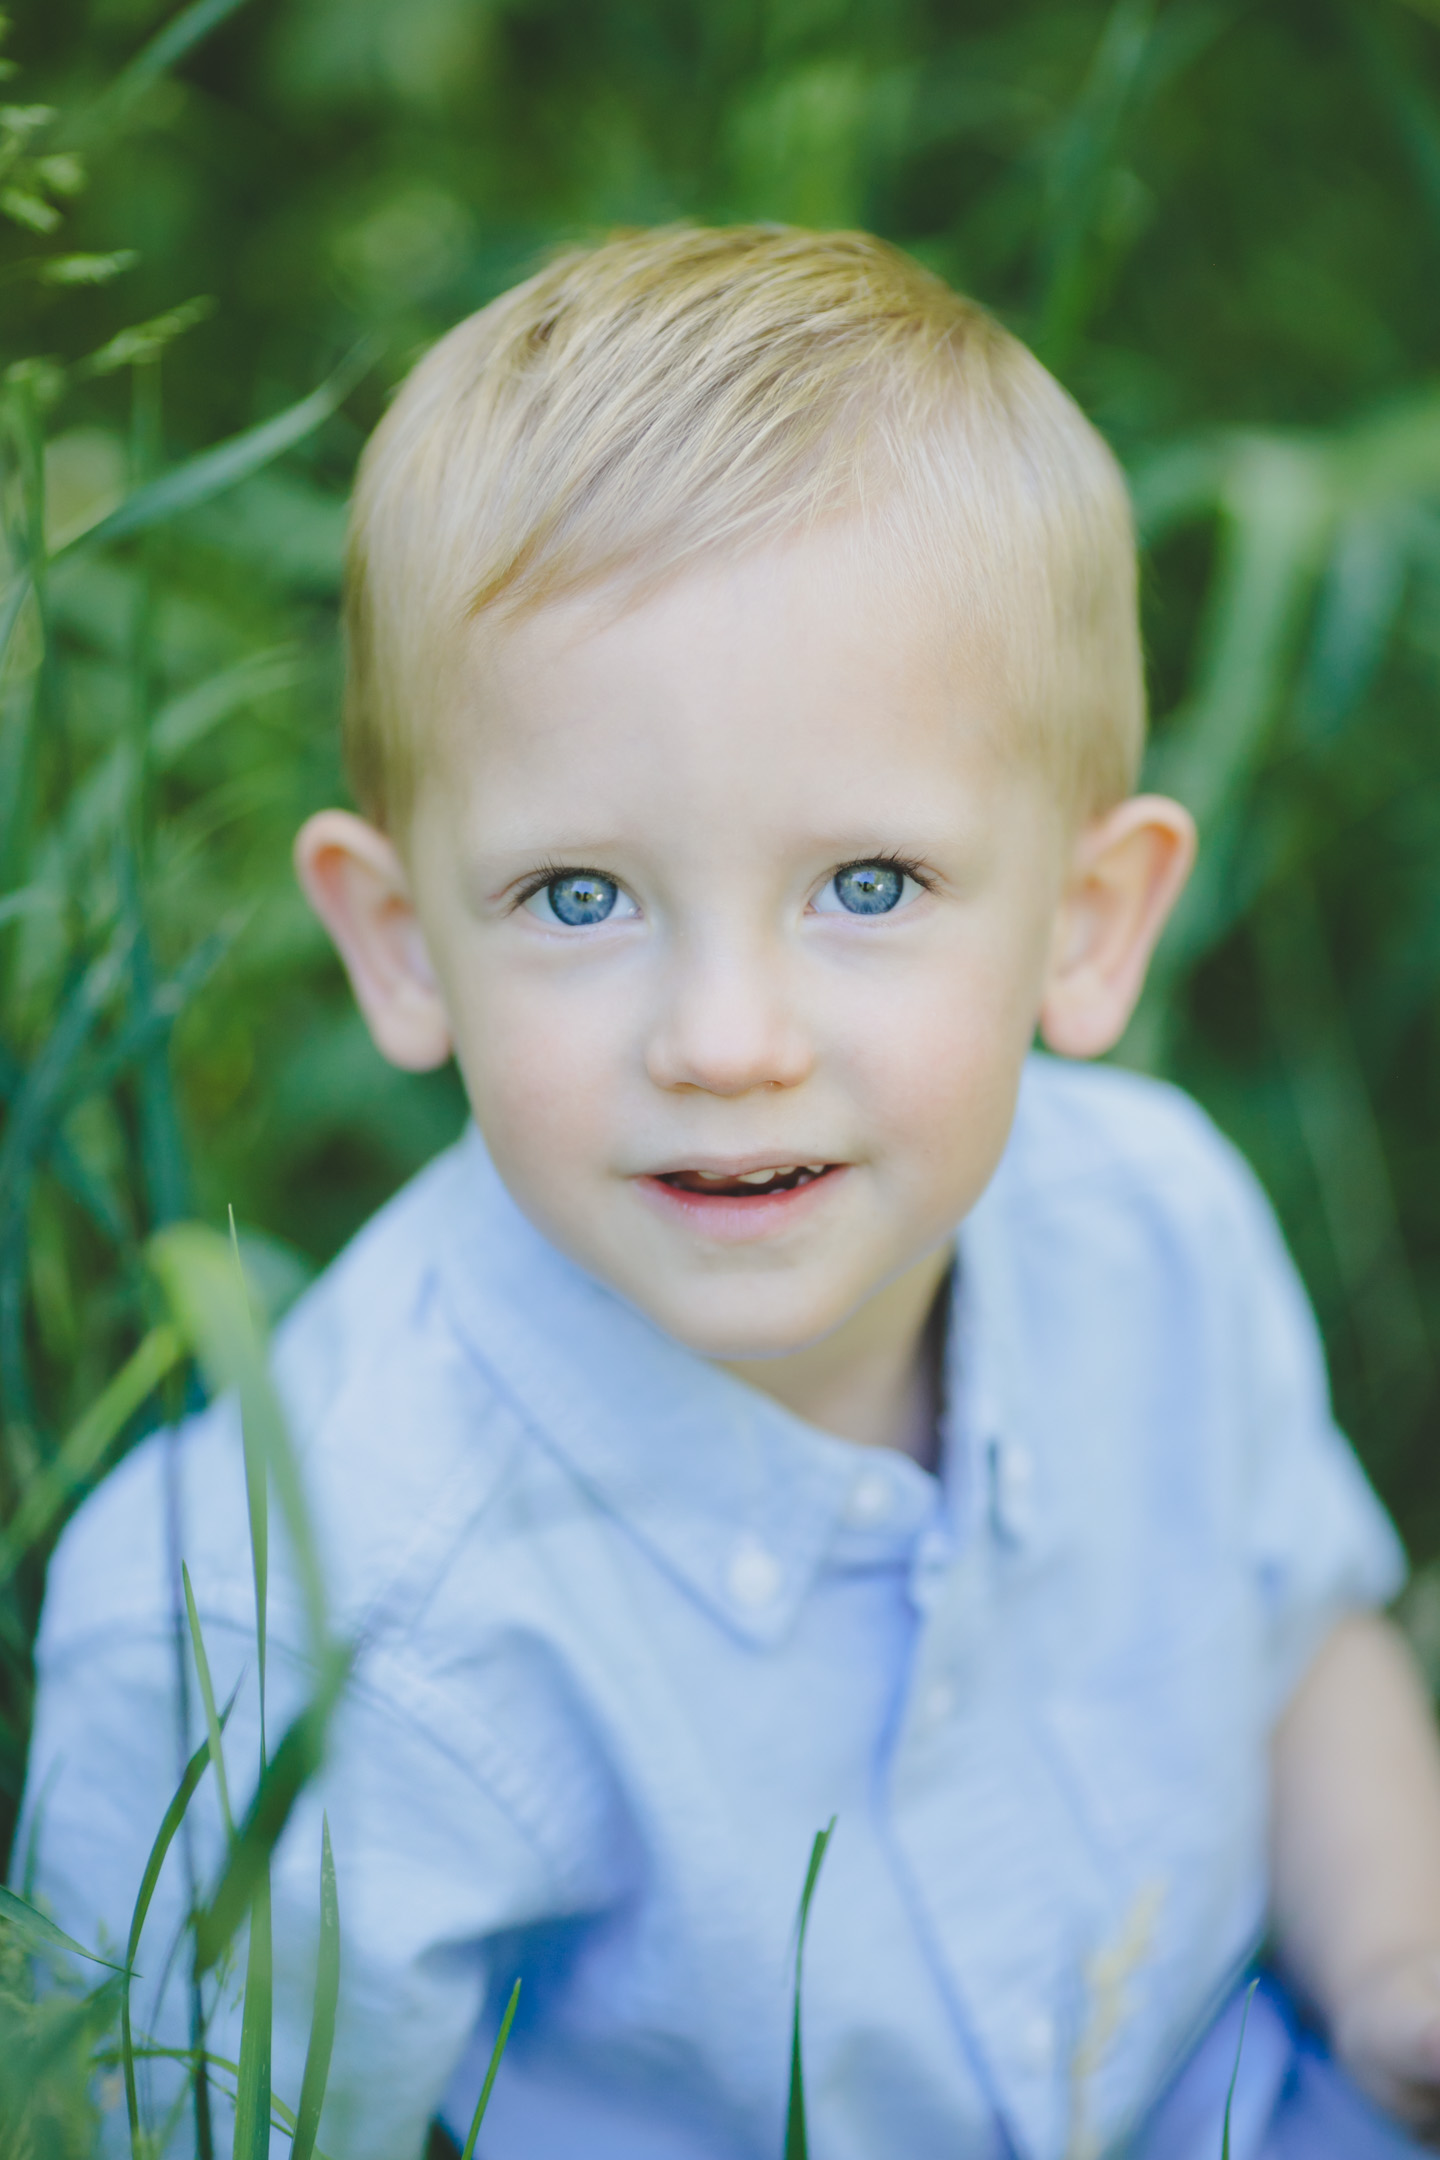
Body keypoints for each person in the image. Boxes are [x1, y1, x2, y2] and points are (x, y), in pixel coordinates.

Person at [19, 226, 1440, 2160]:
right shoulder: (300, 1632)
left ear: (1087, 927)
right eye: (579, 898)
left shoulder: (1155, 1231)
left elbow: (1301, 1643)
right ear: (403, 941)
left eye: (869, 887)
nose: (725, 1036)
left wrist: (1394, 1969)